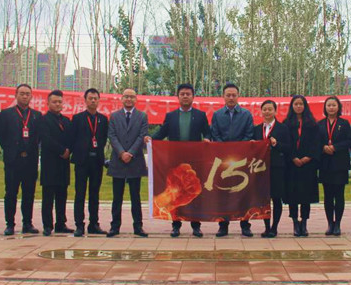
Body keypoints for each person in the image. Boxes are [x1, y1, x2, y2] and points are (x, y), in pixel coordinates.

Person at [146, 83, 210, 237]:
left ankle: (196, 226)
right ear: (178, 97)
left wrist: (207, 138)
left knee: (193, 193)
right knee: (175, 193)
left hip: (194, 161)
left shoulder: (200, 115)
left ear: (193, 97)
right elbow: (162, 133)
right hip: (175, 160)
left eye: (188, 94)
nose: (185, 96)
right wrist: (151, 139)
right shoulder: (171, 116)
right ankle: (176, 225)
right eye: (182, 94)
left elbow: (208, 132)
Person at [210, 83, 255, 237]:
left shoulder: (246, 115)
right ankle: (223, 225)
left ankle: (245, 225)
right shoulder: (217, 115)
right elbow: (215, 134)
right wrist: (225, 150)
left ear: (238, 96)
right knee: (223, 193)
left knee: (244, 193)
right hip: (223, 160)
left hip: (241, 160)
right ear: (223, 96)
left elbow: (249, 134)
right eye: (228, 95)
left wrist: (237, 150)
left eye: (233, 95)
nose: (231, 98)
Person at [0, 83, 42, 235]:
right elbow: (1, 135)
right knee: (11, 192)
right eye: (21, 93)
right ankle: (10, 224)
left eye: (27, 94)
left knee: (29, 193)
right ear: (16, 95)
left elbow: (39, 137)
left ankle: (27, 223)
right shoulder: (6, 114)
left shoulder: (36, 115)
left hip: (30, 160)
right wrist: (10, 148)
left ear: (31, 96)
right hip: (13, 160)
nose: (24, 96)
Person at [106, 88, 149, 237]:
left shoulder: (142, 116)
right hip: (118, 161)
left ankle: (138, 226)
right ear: (121, 99)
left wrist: (130, 153)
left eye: (131, 97)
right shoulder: (114, 116)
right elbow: (112, 136)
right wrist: (121, 153)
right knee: (117, 197)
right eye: (126, 96)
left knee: (135, 196)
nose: (129, 99)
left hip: (135, 160)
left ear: (136, 99)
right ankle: (114, 226)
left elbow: (142, 136)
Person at [69, 88, 108, 237]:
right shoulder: (77, 118)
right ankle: (79, 225)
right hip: (82, 161)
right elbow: (73, 138)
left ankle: (94, 224)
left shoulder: (103, 119)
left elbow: (103, 138)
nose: (93, 101)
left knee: (94, 194)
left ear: (98, 101)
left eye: (95, 98)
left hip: (97, 161)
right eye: (90, 98)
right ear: (85, 100)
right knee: (80, 193)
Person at [283, 95, 320, 237]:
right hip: (292, 165)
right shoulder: (286, 123)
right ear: (292, 106)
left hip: (307, 165)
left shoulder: (312, 124)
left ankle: (304, 223)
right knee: (293, 196)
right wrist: (293, 157)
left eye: (301, 104)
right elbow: (285, 143)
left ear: (305, 106)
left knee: (306, 196)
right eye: (296, 104)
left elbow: (316, 143)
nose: (298, 106)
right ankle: (295, 222)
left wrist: (307, 157)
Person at [254, 100, 291, 238]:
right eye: (265, 109)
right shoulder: (257, 129)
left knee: (276, 198)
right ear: (261, 111)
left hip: (277, 167)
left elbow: (288, 147)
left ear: (275, 111)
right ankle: (266, 227)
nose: (267, 112)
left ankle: (274, 227)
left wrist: (276, 144)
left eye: (270, 109)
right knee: (264, 199)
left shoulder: (283, 128)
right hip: (261, 168)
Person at [38, 90, 72, 236]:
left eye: (59, 102)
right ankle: (47, 225)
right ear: (48, 103)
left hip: (64, 163)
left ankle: (61, 223)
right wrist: (61, 150)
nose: (57, 104)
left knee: (62, 195)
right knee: (48, 196)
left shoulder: (66, 121)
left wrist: (69, 150)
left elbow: (72, 138)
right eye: (54, 102)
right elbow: (46, 139)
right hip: (50, 162)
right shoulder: (43, 120)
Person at [317, 96, 351, 236]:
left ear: (338, 107)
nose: (331, 108)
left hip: (340, 163)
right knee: (328, 195)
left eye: (334, 105)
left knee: (339, 194)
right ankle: (330, 223)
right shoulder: (320, 124)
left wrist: (335, 147)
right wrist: (323, 147)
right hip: (325, 163)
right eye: (329, 105)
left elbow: (349, 141)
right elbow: (315, 141)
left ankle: (338, 224)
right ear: (325, 107)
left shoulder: (344, 123)